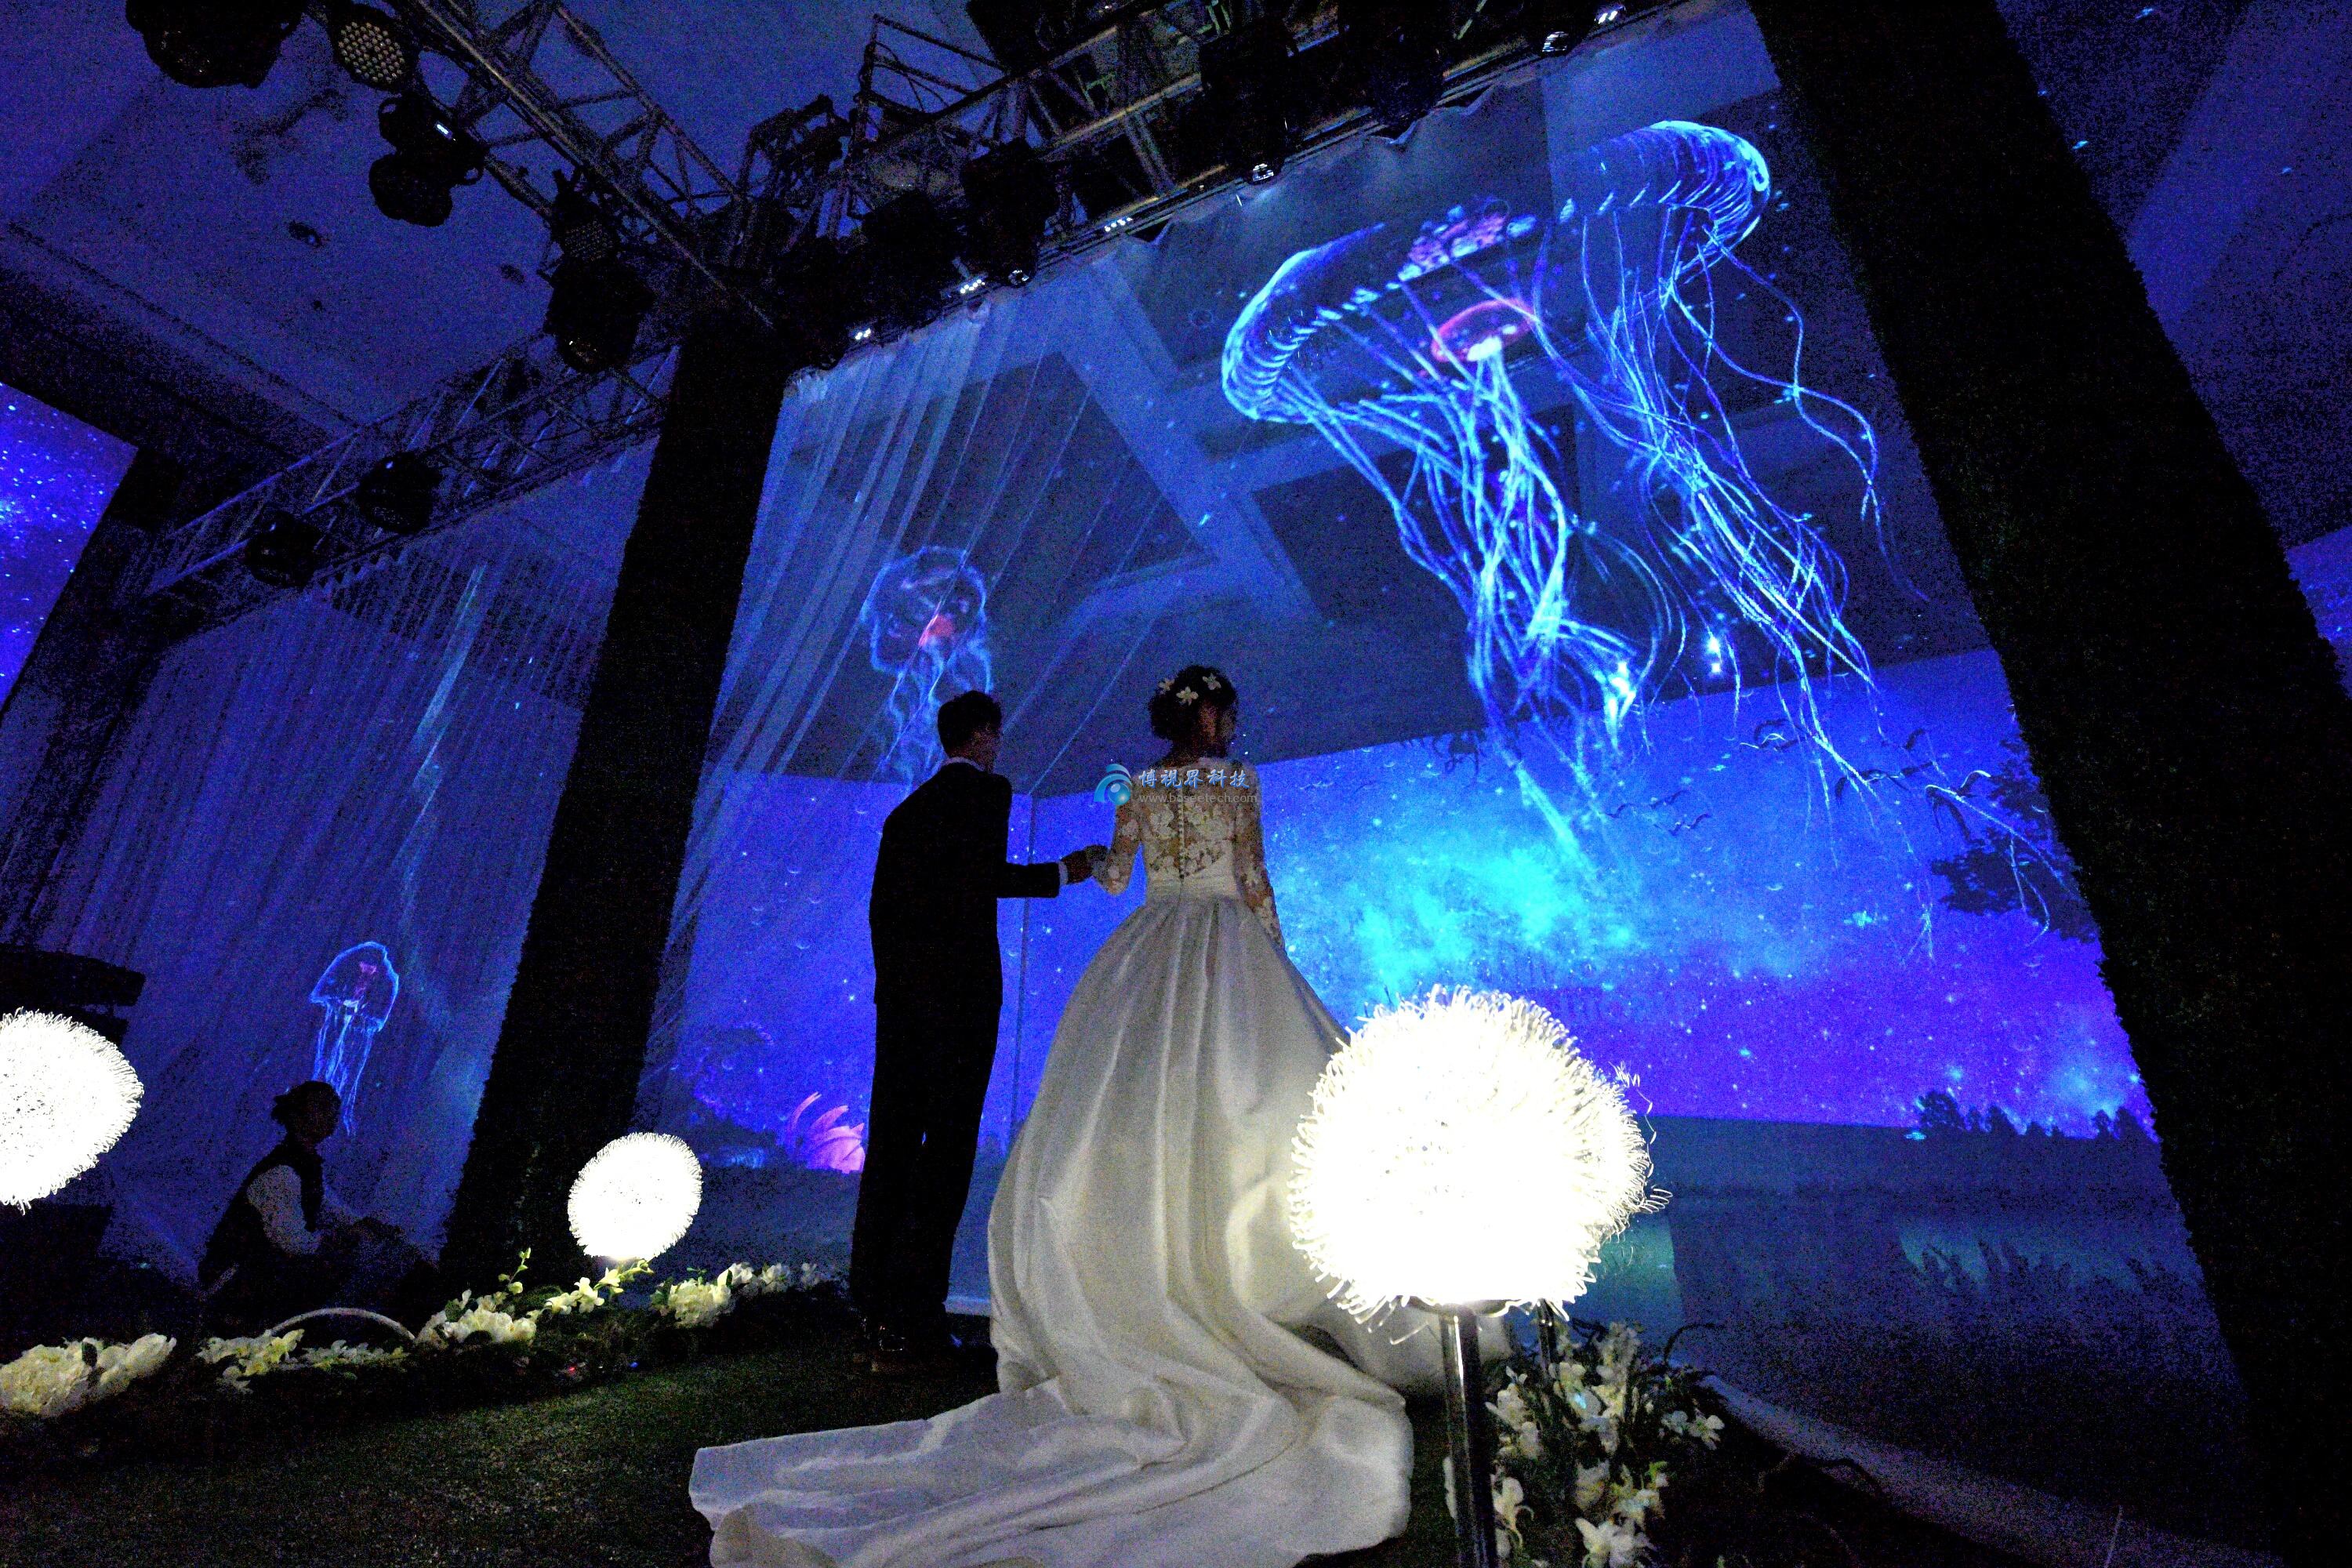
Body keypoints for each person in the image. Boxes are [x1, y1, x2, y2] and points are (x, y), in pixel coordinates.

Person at [693, 666, 1414, 1568]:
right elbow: (1252, 876)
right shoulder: (1223, 779)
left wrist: (1094, 861)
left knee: (1054, 1132)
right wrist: (1272, 958)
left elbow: (1115, 877)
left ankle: (893, 1313)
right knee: (1230, 1109)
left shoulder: (964, 805)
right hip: (1189, 954)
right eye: (1225, 708)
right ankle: (1213, 1291)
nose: (1231, 720)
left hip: (1084, 967)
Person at [851, 690, 1105, 1376]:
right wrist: (1066, 871)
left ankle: (873, 1316)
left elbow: (881, 914)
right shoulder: (987, 793)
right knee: (946, 1156)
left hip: (902, 1009)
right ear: (983, 736)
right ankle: (915, 1323)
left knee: (891, 1152)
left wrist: (898, 992)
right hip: (959, 1007)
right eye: (996, 734)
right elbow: (981, 878)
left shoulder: (905, 813)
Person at [198, 1080, 433, 1333]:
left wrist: (366, 1227)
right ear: (297, 1116)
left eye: (333, 1110)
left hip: (260, 1275)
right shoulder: (283, 1170)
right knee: (348, 1269)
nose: (331, 1116)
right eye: (322, 1108)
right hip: (236, 1282)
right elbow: (293, 1242)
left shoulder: (304, 1166)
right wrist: (343, 1240)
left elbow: (329, 1207)